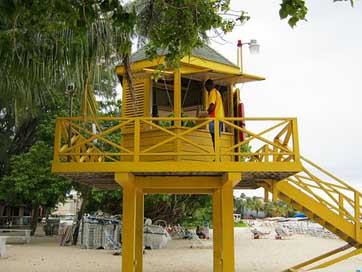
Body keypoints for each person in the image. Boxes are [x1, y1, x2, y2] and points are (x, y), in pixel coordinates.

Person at [205, 79, 224, 150]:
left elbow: (212, 106)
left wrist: (206, 113)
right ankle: (218, 156)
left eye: (206, 87)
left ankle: (216, 156)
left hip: (214, 118)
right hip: (220, 117)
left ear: (209, 86)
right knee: (217, 138)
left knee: (214, 137)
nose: (206, 89)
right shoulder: (217, 92)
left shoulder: (212, 92)